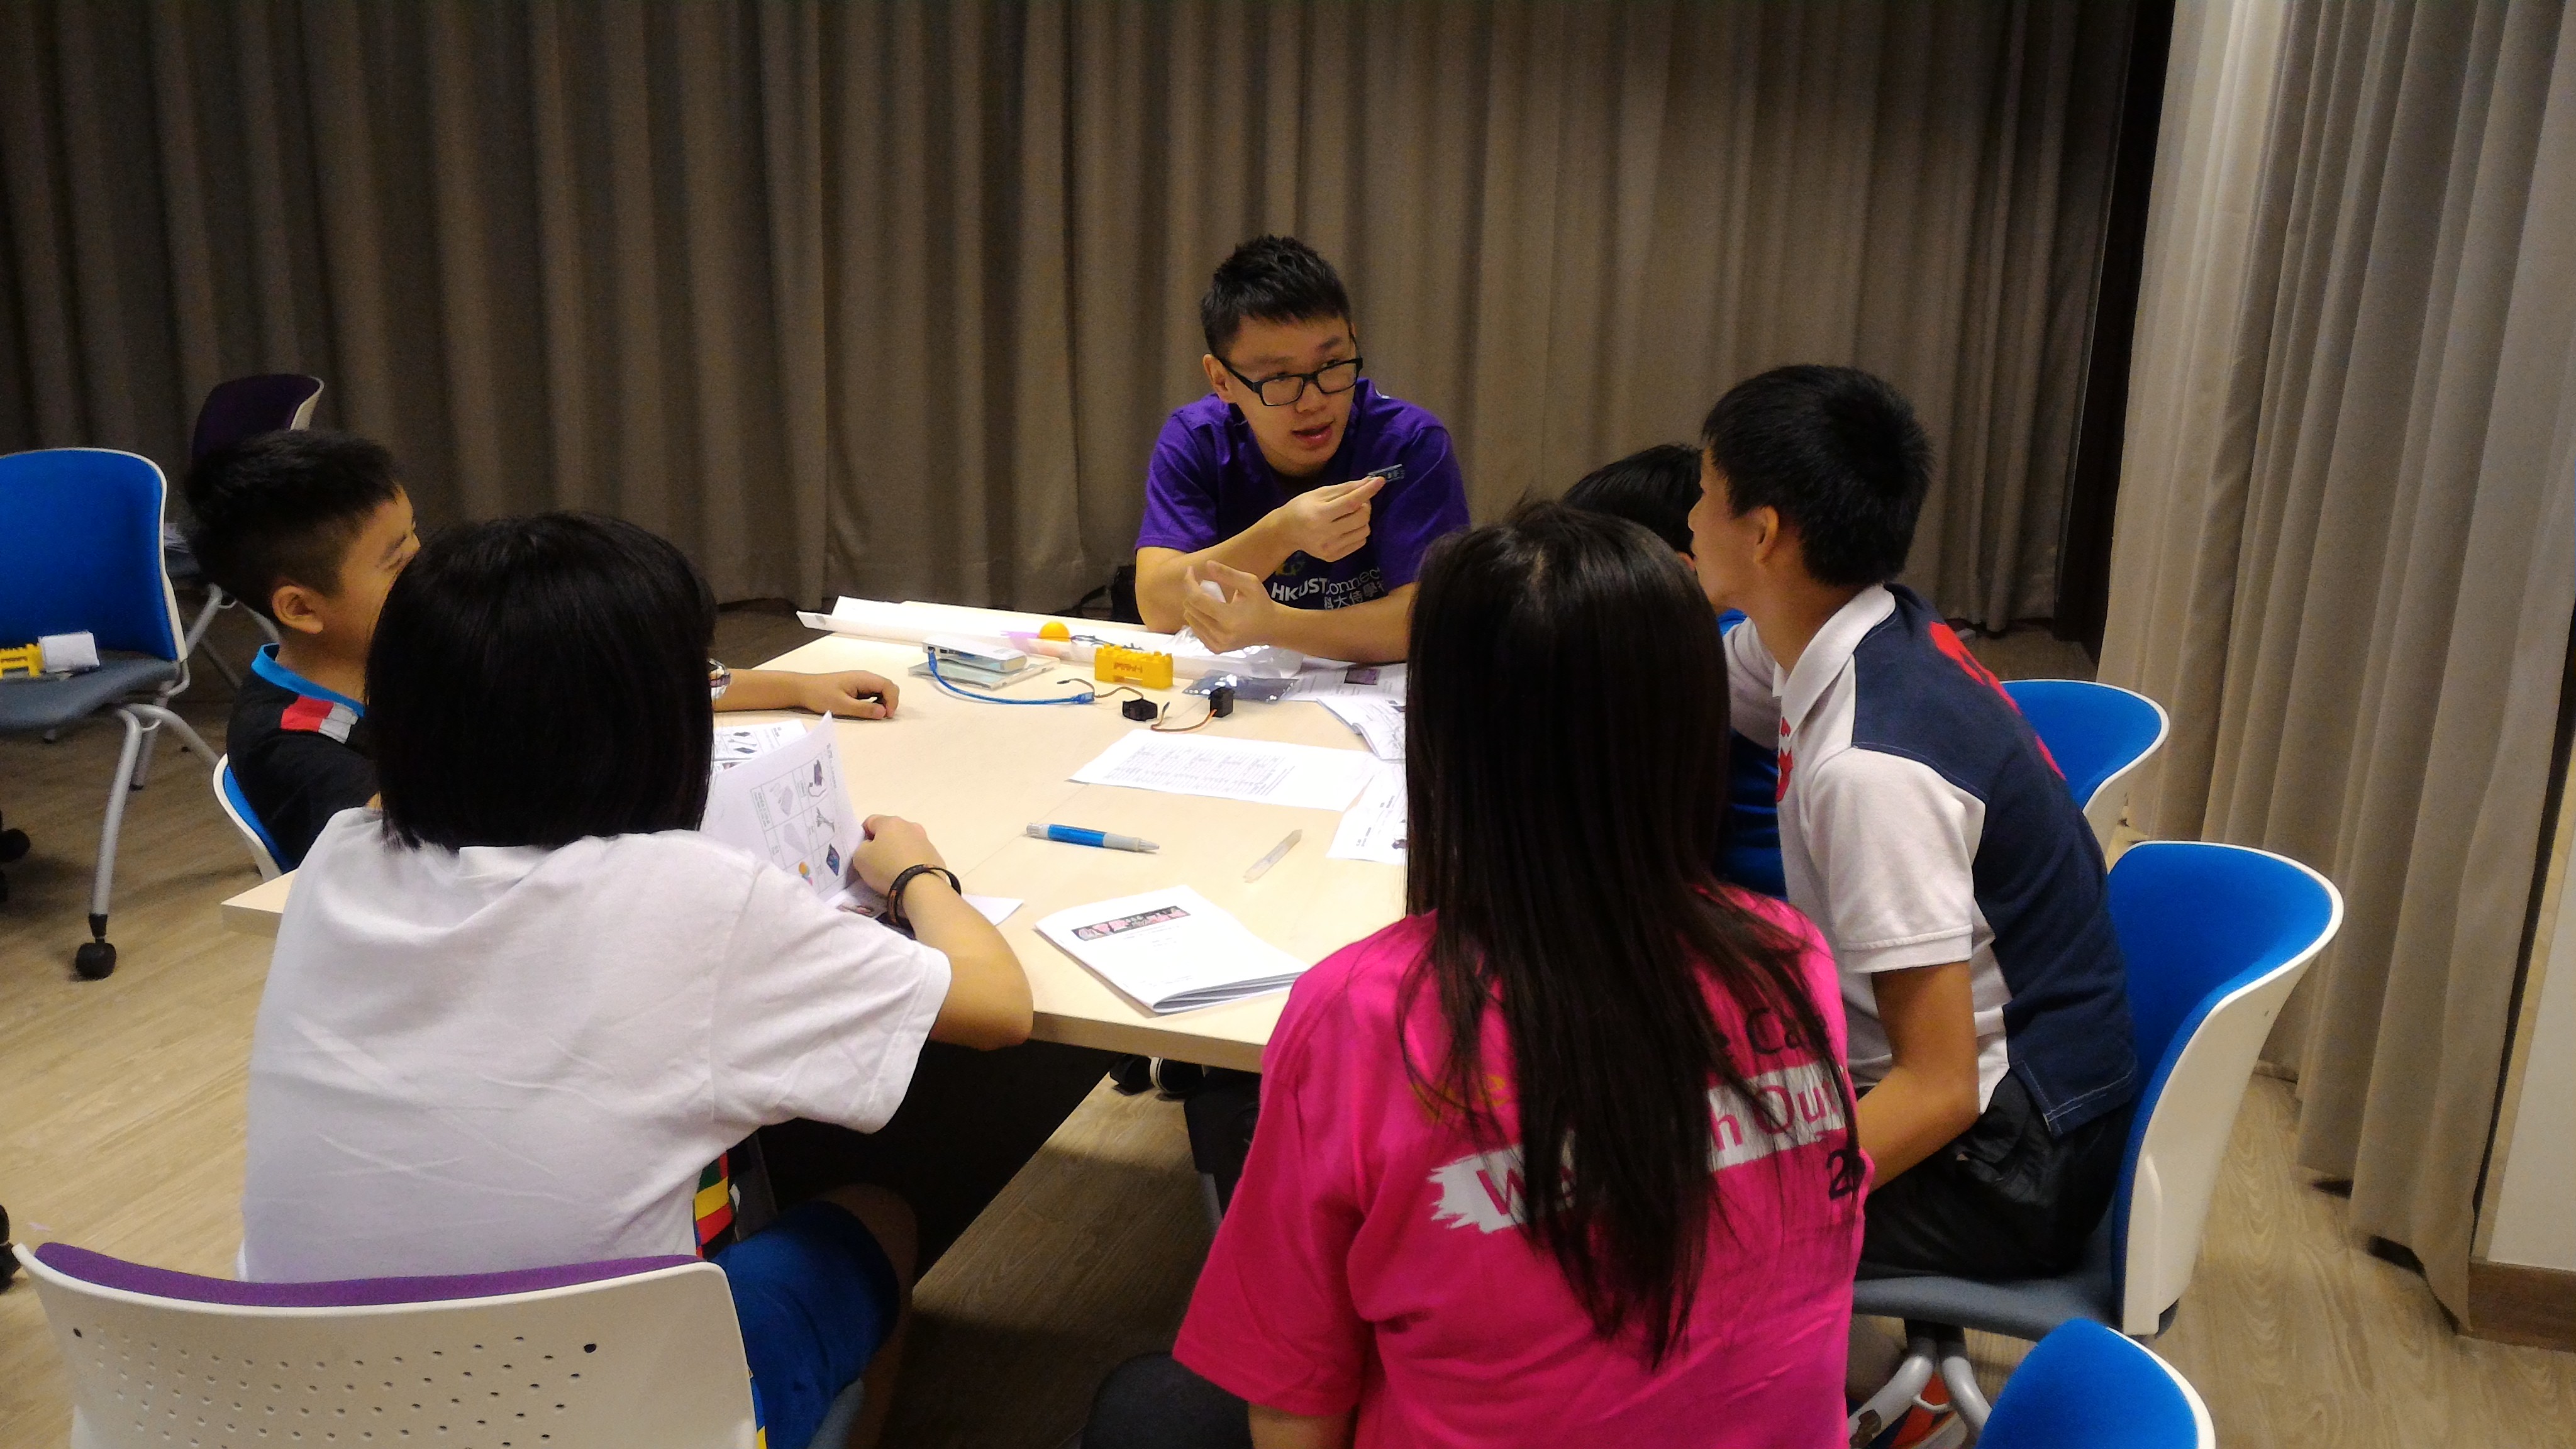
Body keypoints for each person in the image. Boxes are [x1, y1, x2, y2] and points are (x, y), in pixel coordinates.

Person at [237, 513, 1032, 1449]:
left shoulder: (340, 856)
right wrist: (914, 872)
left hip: (300, 1406)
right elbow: (997, 1008)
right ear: (657, 721)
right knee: (879, 1218)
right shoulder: (690, 896)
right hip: (591, 1421)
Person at [1082, 504, 1866, 1449]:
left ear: (1446, 743)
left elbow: (1299, 1408)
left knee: (1145, 1404)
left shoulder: (1364, 1016)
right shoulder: (1790, 959)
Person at [1684, 365, 2136, 1289]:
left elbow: (1939, 1090)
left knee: (1647, 1224)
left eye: (1703, 494)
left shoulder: (1871, 769)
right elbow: (1673, 674)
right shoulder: (1849, 627)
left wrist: (1749, 1202)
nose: (1688, 520)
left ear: (1763, 533)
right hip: (2003, 1089)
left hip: (2009, 1161)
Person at [184, 430, 904, 868]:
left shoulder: (413, 654)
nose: (427, 563)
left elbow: (596, 684)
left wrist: (796, 688)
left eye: (415, 538)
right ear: (301, 607)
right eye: (396, 560)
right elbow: (415, 854)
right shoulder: (294, 741)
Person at [1134, 236, 1470, 664]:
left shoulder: (1409, 442)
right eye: (1279, 378)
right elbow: (1157, 605)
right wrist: (1281, 533)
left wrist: (1276, 625)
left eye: (1332, 366)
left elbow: (1429, 620)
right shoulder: (1197, 440)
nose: (1313, 402)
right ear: (1221, 380)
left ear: (1353, 341)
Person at [1563, 443, 1784, 899]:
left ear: (1671, 575)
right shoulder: (1740, 630)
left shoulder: (1700, 662)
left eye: (1586, 575)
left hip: (1748, 909)